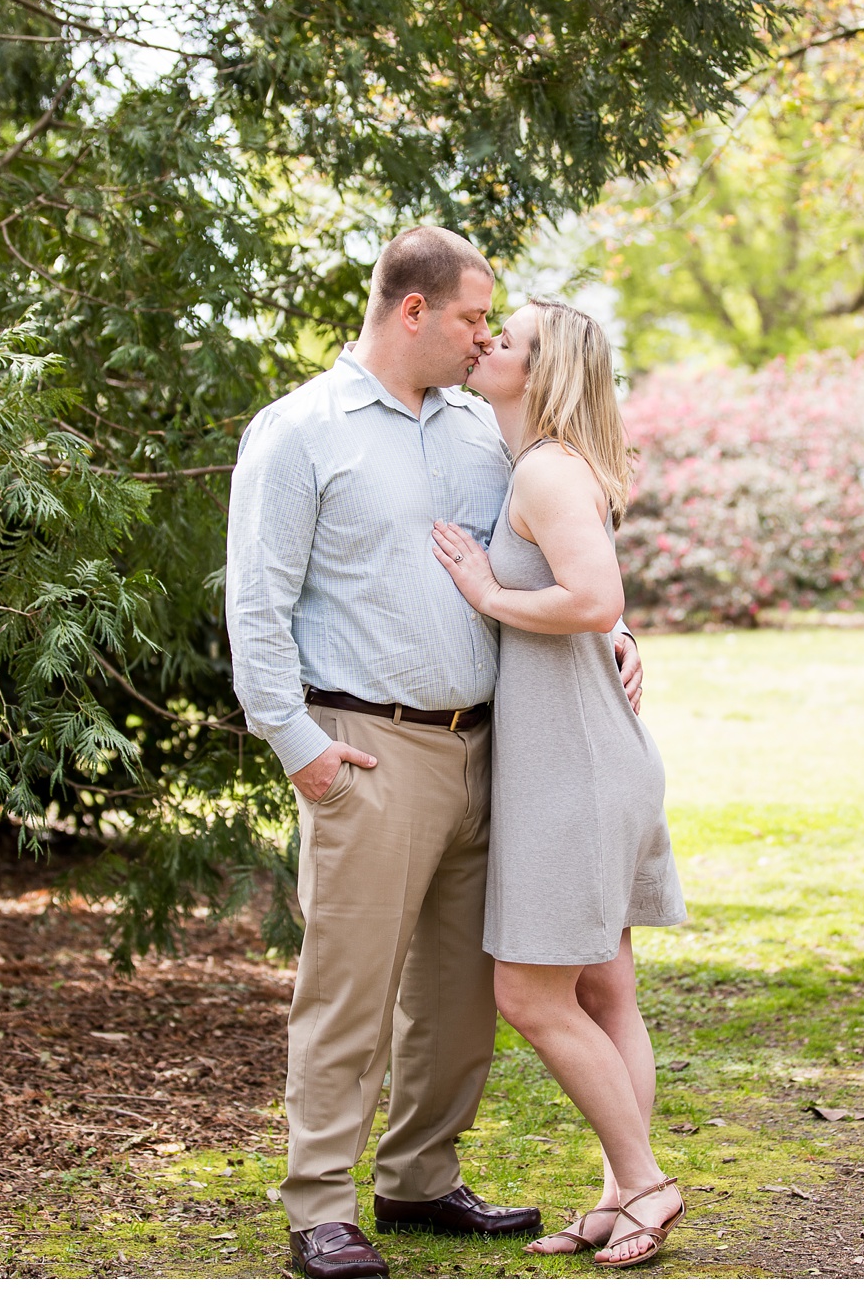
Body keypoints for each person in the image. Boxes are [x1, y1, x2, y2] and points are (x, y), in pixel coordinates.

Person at [225, 229, 644, 1278]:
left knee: (462, 994)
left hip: (492, 751)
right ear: (411, 311)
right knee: (349, 990)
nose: (483, 336)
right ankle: (320, 1203)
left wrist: (613, 632)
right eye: (469, 317)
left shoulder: (477, 431)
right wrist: (300, 748)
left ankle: (417, 1176)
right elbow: (255, 605)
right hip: (364, 748)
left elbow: (554, 549)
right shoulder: (299, 432)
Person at [429, 299, 687, 1269]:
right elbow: (597, 613)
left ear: (542, 371)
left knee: (532, 996)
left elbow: (594, 597)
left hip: (571, 771)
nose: (487, 340)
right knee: (605, 987)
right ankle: (622, 1192)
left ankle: (648, 1181)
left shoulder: (541, 469)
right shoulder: (533, 463)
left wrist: (490, 594)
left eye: (508, 338)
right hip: (587, 756)